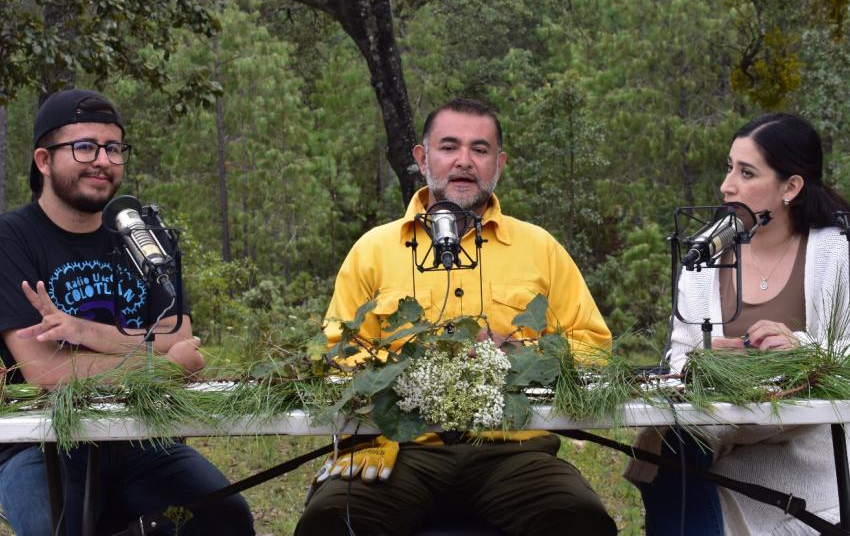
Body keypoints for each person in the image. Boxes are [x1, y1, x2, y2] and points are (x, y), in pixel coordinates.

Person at [296, 98, 617, 536]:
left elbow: (593, 345)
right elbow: (335, 353)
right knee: (332, 522)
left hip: (512, 452)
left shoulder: (539, 247)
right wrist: (408, 372)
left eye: (480, 149)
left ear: (499, 162)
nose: (464, 161)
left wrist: (523, 355)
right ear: (422, 158)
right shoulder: (374, 249)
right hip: (399, 450)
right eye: (449, 147)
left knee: (578, 520)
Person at [0, 89, 255, 536]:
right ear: (44, 160)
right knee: (50, 529)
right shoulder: (11, 239)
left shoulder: (142, 236)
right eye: (84, 146)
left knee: (224, 516)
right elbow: (43, 370)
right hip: (44, 443)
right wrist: (161, 363)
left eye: (113, 148)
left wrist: (83, 331)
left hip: (144, 437)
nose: (103, 159)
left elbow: (182, 338)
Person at [632, 112, 850, 535]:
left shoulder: (836, 252)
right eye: (729, 167)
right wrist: (709, 359)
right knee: (672, 448)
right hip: (715, 435)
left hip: (805, 447)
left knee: (674, 465)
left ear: (791, 187)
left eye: (746, 172)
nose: (727, 185)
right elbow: (680, 356)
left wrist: (802, 348)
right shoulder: (704, 251)